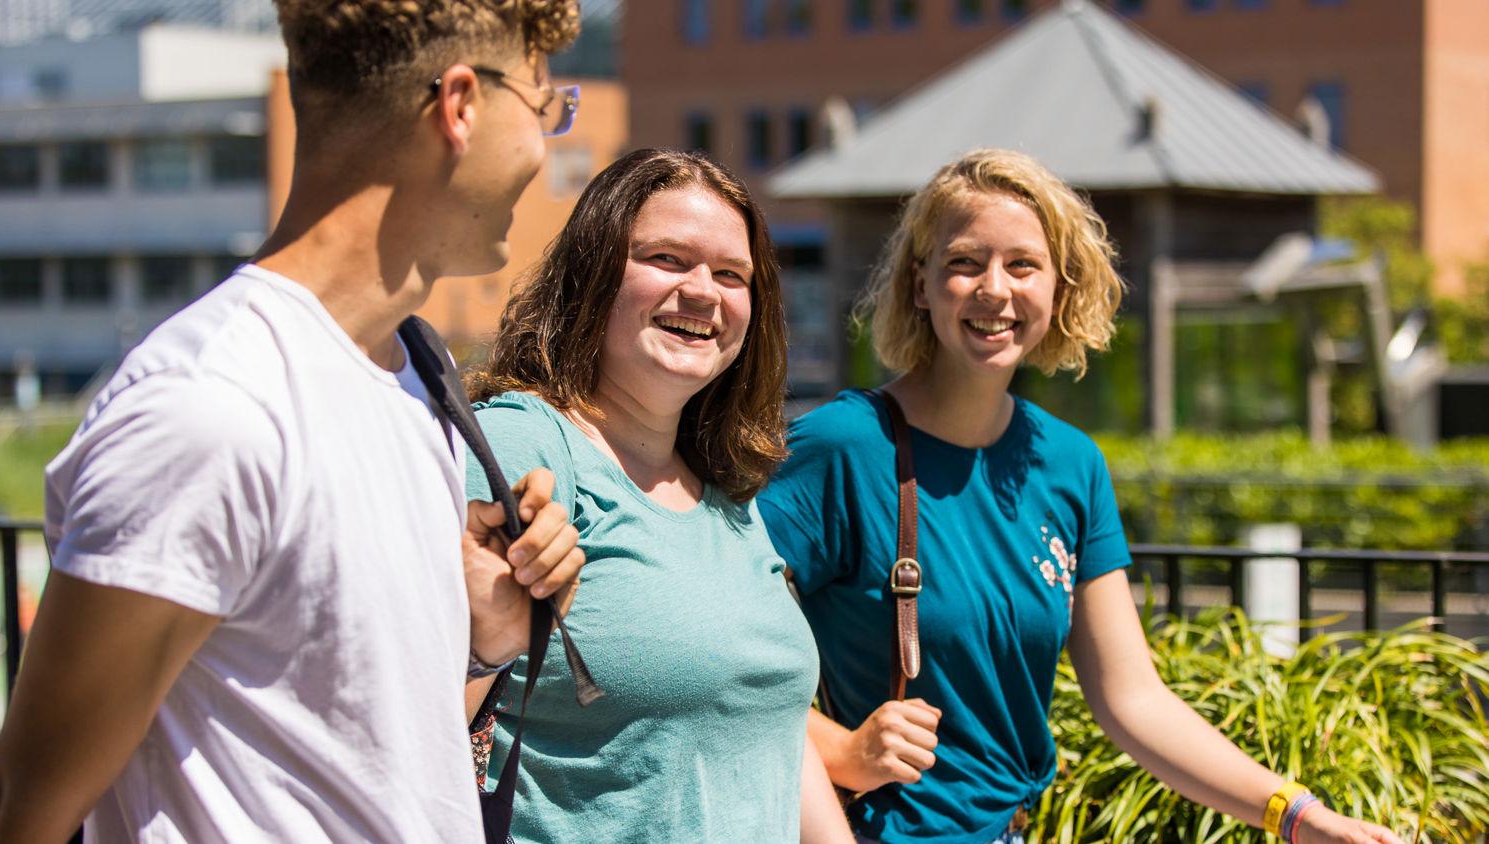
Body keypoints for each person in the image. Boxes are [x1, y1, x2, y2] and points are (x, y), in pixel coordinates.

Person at [0, 2, 587, 841]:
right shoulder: (213, 405)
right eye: (544, 105)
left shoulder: (410, 373)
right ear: (459, 106)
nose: (546, 144)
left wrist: (479, 639)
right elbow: (25, 809)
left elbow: (329, 737)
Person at [757, 148, 1407, 844]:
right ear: (921, 285)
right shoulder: (843, 447)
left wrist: (1300, 817)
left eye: (1023, 265)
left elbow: (1133, 700)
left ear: (1059, 290)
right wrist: (843, 750)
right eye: (966, 262)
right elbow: (714, 651)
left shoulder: (1071, 465)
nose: (995, 289)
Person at [463, 147, 853, 843]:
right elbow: (407, 713)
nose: (703, 291)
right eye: (667, 259)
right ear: (591, 273)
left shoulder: (726, 493)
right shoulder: (525, 446)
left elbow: (772, 732)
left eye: (731, 274)